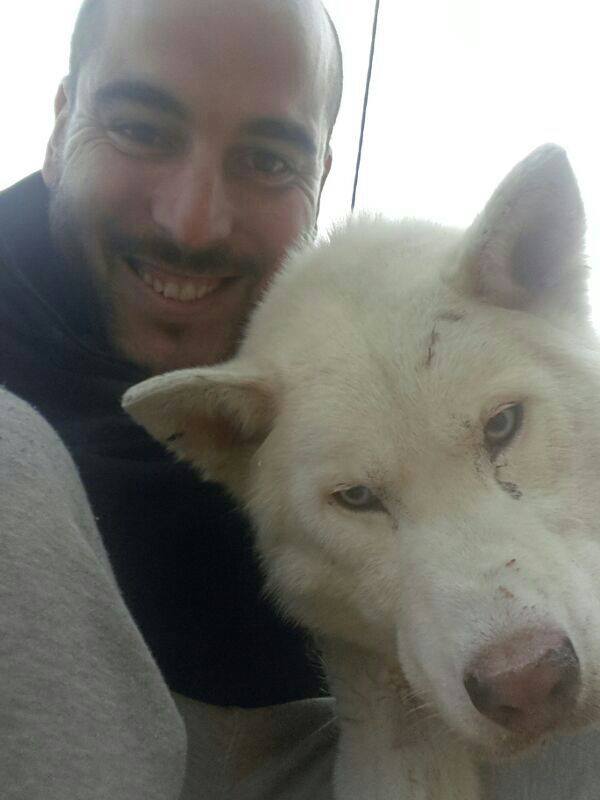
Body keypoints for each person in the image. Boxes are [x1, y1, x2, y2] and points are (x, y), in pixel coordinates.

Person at [0, 0, 342, 797]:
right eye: (141, 130)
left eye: (268, 161)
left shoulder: (374, 367)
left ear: (321, 179)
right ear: (59, 126)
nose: (193, 223)